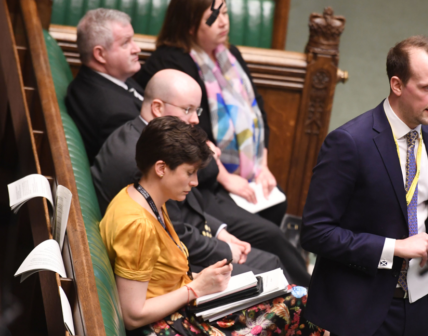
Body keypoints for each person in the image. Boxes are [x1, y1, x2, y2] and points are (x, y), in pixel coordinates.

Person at [100, 116, 325, 336]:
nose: (195, 182)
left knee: (299, 301)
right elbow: (132, 315)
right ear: (161, 168)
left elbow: (158, 275)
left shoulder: (146, 198)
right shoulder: (138, 224)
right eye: (189, 172)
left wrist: (205, 279)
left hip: (178, 314)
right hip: (161, 335)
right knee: (299, 307)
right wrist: (196, 288)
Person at [300, 36, 428, 336]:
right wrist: (394, 248)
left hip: (417, 308)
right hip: (359, 313)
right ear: (397, 84)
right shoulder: (349, 143)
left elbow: (426, 211)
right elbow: (314, 232)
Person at [92, 69, 309, 285]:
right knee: (271, 273)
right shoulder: (142, 160)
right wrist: (226, 250)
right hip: (173, 265)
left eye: (198, 110)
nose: (195, 119)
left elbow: (186, 204)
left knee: (272, 260)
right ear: (157, 108)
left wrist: (219, 232)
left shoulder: (146, 136)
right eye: (187, 109)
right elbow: (172, 233)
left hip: (188, 241)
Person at [133, 0, 286, 227]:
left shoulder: (230, 55)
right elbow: (191, 129)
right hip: (203, 175)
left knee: (277, 203)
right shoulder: (171, 60)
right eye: (213, 18)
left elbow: (258, 109)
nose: (223, 22)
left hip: (248, 169)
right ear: (189, 25)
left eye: (225, 13)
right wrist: (226, 178)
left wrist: (263, 167)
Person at [66, 8, 143, 163]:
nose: (137, 49)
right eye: (126, 43)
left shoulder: (114, 77)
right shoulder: (114, 114)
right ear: (100, 54)